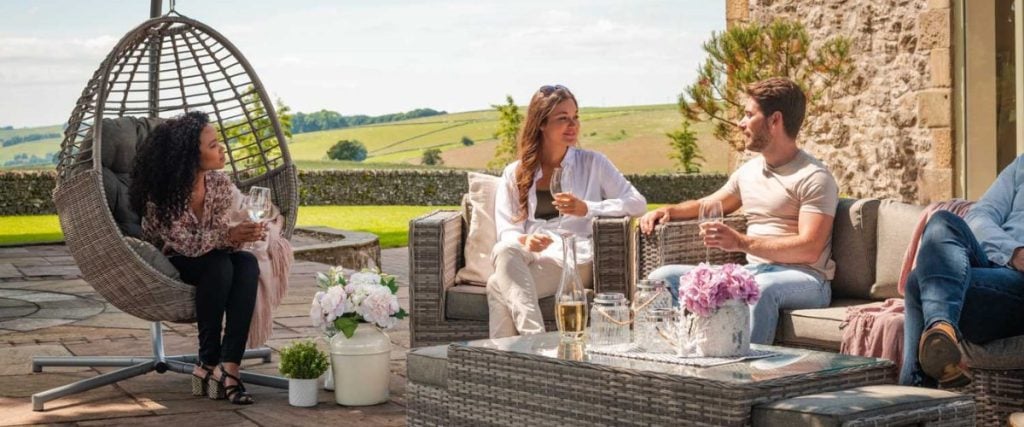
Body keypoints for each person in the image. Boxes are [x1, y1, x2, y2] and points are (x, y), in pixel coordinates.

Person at [638, 77, 839, 345]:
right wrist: (669, 211)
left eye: (748, 115)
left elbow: (810, 248)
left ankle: (746, 375)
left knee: (760, 290)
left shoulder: (814, 177)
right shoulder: (749, 171)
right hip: (755, 273)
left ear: (774, 120)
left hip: (806, 278)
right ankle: (666, 361)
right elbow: (710, 204)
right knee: (661, 280)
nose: (740, 123)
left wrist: (740, 242)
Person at [488, 85, 647, 338]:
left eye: (575, 117)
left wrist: (588, 208)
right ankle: (532, 350)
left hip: (575, 257)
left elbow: (637, 203)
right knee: (504, 250)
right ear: (541, 123)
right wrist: (525, 240)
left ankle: (523, 353)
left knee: (497, 286)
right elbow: (507, 229)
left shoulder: (593, 163)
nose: (572, 125)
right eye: (563, 118)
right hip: (531, 255)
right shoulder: (515, 173)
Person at [130, 111, 264, 404]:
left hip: (211, 255)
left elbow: (215, 234)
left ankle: (229, 367)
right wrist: (230, 235)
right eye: (214, 145)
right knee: (219, 266)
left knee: (246, 264)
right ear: (192, 154)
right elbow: (186, 245)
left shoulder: (218, 184)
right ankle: (206, 361)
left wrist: (241, 234)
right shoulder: (163, 193)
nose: (222, 150)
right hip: (172, 259)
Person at [901, 155, 1024, 388]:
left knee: (918, 281)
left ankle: (913, 400)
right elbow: (978, 216)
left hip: (1019, 288)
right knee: (942, 222)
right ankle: (942, 330)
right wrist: (1013, 253)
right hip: (997, 264)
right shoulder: (1022, 166)